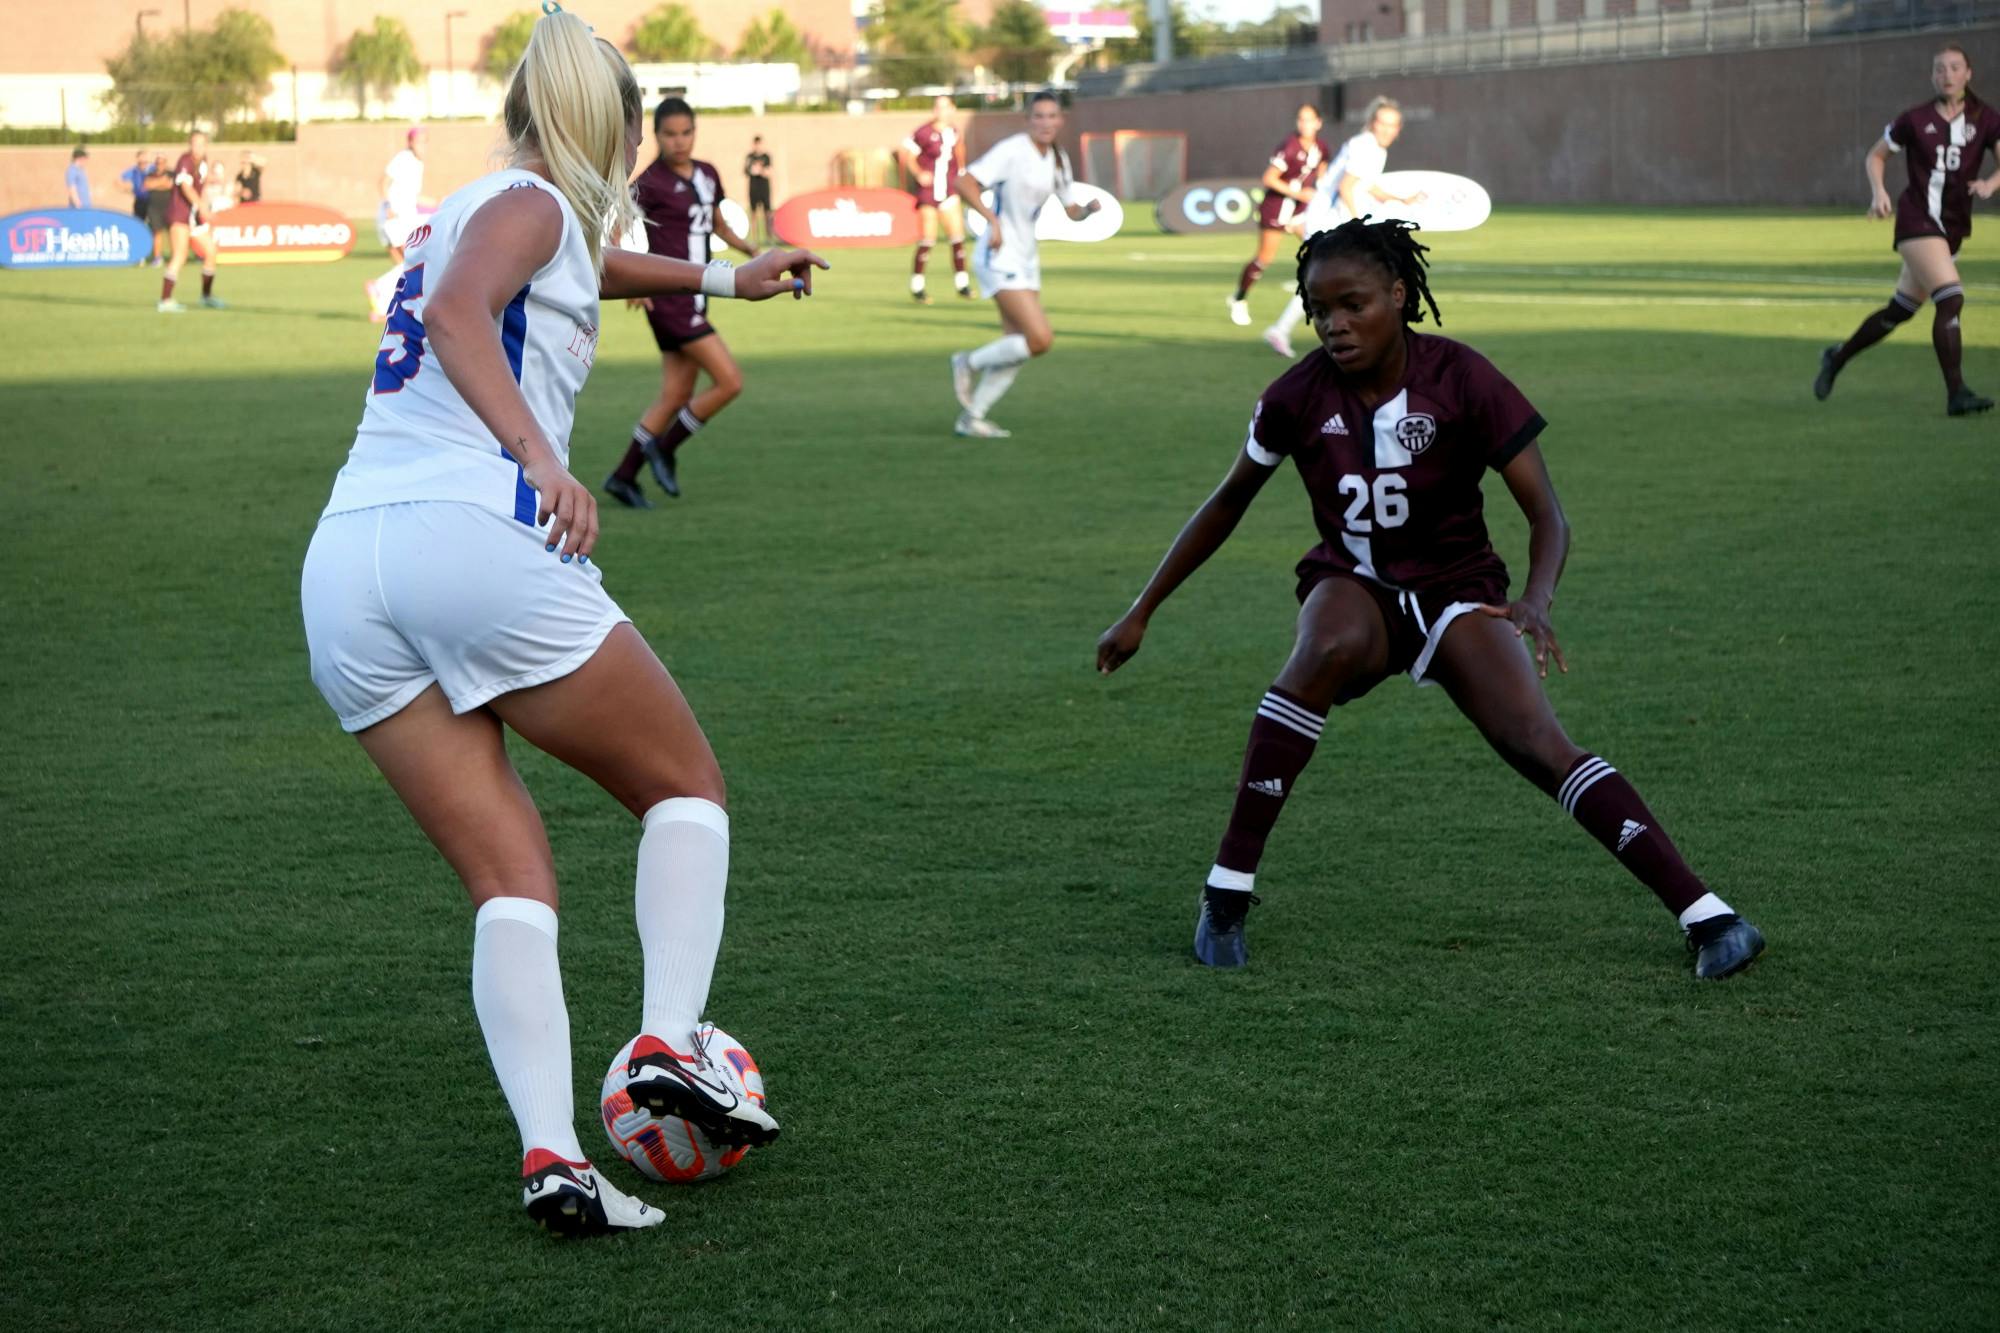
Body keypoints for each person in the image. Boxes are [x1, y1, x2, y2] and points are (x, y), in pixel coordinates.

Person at [298, 8, 826, 1237]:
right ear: (613, 123)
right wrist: (541, 458)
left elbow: (572, 270)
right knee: (684, 786)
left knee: (509, 878)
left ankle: (553, 1157)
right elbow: (458, 315)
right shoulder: (531, 204)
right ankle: (668, 1041)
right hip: (468, 536)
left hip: (344, 567)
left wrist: (720, 276)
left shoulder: (490, 205)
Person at [1096, 218, 1766, 982]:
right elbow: (1226, 503)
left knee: (1538, 744)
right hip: (1354, 585)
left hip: (1459, 593)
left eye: (1353, 304)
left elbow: (1548, 512)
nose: (1334, 325)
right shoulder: (1295, 395)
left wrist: (1537, 599)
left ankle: (1711, 918)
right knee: (1322, 648)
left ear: (1400, 295)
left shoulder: (1464, 379)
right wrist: (1143, 608)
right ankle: (1225, 896)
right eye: (1319, 309)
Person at [1816, 43, 1999, 417]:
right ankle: (1956, 393)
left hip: (1952, 228)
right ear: (1932, 76)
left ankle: (1837, 357)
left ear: (1968, 74)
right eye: (1939, 69)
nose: (1946, 75)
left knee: (1899, 311)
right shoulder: (1914, 119)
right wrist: (1879, 191)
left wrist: (1990, 184)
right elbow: (1876, 154)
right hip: (1917, 220)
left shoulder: (1986, 119)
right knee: (1950, 298)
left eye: (1954, 67)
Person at [603, 98, 759, 507]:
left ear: (695, 132)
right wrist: (629, 281)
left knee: (674, 395)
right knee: (730, 382)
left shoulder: (707, 173)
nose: (679, 141)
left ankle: (623, 477)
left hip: (699, 296)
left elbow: (717, 224)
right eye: (670, 134)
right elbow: (614, 228)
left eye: (686, 133)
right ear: (656, 136)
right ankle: (666, 447)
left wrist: (751, 252)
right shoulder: (650, 181)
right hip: (670, 299)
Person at [947, 91, 1101, 439]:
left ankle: (973, 417)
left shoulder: (1058, 157)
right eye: (1039, 116)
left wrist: (1088, 208)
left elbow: (1070, 210)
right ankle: (967, 362)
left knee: (1016, 346)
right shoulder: (1013, 150)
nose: (1046, 123)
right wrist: (992, 221)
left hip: (1026, 257)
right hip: (999, 254)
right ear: (1028, 119)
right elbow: (964, 182)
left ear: (1061, 120)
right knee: (1039, 339)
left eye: (1052, 116)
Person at [1263, 97, 1426, 359]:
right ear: (1373, 123)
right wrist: (1358, 225)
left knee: (1337, 277)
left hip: (1330, 219)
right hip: (1325, 220)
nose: (1387, 129)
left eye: (1392, 125)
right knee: (1347, 275)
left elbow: (1368, 185)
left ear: (1398, 129)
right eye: (1382, 123)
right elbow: (1346, 188)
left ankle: (1283, 329)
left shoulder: (1375, 149)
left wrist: (1400, 199)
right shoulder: (1365, 147)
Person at [1228, 103, 1328, 328]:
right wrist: (1299, 192)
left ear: (1319, 123)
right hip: (1277, 207)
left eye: (1310, 119)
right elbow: (1269, 178)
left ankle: (1318, 298)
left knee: (1321, 249)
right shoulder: (1289, 147)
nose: (1305, 124)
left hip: (1300, 210)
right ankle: (1239, 298)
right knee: (1264, 258)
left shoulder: (1321, 147)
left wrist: (1320, 188)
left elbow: (1322, 170)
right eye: (1301, 119)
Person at [898, 95, 972, 303]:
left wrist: (962, 172)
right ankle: (917, 286)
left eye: (945, 107)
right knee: (928, 239)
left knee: (957, 238)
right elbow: (906, 155)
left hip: (949, 190)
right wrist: (918, 173)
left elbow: (960, 150)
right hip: (929, 193)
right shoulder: (923, 132)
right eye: (938, 107)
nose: (941, 111)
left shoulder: (954, 131)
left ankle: (962, 284)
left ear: (952, 109)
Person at [369, 128, 430, 320]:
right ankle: (379, 288)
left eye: (425, 141)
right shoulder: (403, 158)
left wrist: (438, 201)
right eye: (420, 141)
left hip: (402, 218)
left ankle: (381, 306)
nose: (423, 146)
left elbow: (413, 196)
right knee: (413, 262)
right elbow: (383, 181)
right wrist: (387, 205)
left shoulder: (417, 164)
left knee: (406, 267)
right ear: (411, 142)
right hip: (395, 218)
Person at [159, 129, 221, 313]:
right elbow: (186, 187)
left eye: (201, 144)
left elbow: (198, 180)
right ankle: (165, 300)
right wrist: (202, 206)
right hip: (180, 215)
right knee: (180, 255)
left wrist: (212, 179)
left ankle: (206, 296)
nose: (198, 147)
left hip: (193, 217)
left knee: (211, 251)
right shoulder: (185, 160)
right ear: (190, 144)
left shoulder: (202, 162)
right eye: (195, 143)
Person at [743, 134, 773, 248]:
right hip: (753, 188)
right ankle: (754, 239)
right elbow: (747, 171)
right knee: (754, 213)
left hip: (764, 188)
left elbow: (769, 172)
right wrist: (753, 170)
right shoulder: (750, 157)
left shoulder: (766, 157)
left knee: (767, 213)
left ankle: (769, 238)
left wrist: (760, 170)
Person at [142, 153, 173, 266]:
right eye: (157, 162)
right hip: (154, 208)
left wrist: (155, 184)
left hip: (169, 207)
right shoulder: (150, 174)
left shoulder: (171, 173)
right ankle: (157, 258)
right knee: (157, 233)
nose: (159, 165)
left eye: (161, 162)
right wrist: (161, 182)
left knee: (172, 233)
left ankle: (174, 257)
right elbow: (146, 185)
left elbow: (170, 185)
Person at [121, 150, 149, 223]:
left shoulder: (152, 169)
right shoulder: (133, 170)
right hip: (139, 200)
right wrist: (128, 189)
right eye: (140, 160)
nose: (142, 162)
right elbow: (121, 180)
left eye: (144, 160)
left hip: (151, 200)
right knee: (138, 222)